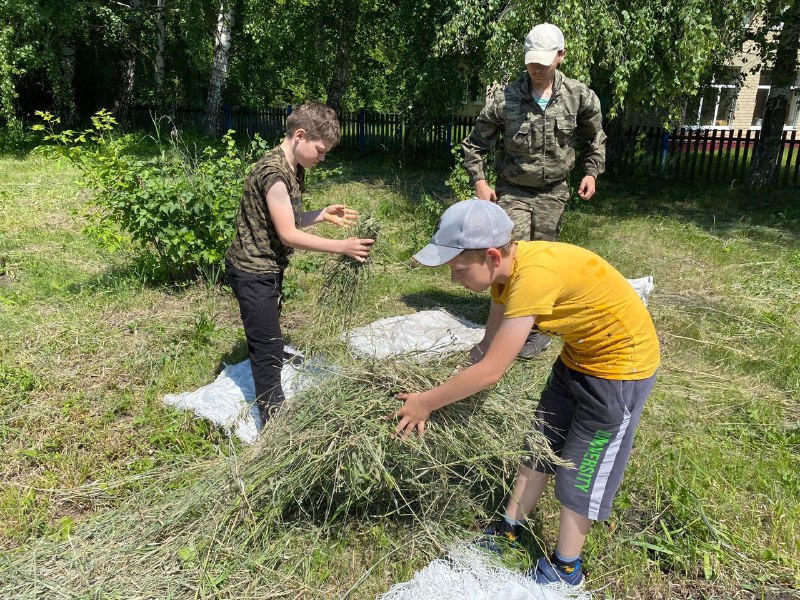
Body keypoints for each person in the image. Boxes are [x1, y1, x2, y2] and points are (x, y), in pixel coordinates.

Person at [391, 199, 659, 586]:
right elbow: (488, 348)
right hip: (578, 357)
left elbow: (492, 371)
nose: (454, 280)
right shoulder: (505, 275)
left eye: (458, 269)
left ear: (492, 255)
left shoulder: (533, 279)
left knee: (580, 469)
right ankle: (509, 527)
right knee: (540, 443)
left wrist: (426, 402)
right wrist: (453, 375)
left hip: (619, 372)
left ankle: (567, 567)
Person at [462, 22, 607, 358]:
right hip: (512, 189)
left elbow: (594, 137)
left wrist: (591, 172)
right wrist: (480, 182)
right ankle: (501, 327)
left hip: (554, 191)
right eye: (531, 60)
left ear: (561, 56)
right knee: (509, 254)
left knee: (542, 260)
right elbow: (475, 144)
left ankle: (534, 329)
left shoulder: (579, 96)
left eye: (545, 60)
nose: (537, 67)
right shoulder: (505, 99)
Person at [225, 102, 374, 426]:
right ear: (300, 136)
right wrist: (342, 247)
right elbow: (289, 234)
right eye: (320, 150)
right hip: (252, 270)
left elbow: (287, 219)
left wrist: (320, 215)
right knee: (265, 350)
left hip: (269, 266)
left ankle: (271, 352)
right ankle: (274, 422)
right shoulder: (274, 174)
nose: (321, 158)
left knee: (269, 333)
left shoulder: (294, 169)